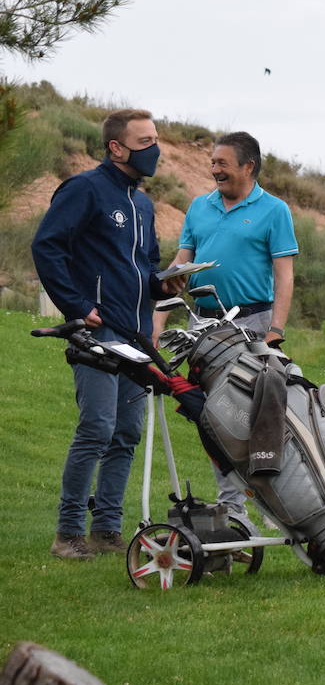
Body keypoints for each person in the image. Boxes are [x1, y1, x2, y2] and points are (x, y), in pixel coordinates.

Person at [32, 109, 183, 559]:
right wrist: (78, 307)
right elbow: (47, 246)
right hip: (97, 333)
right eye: (144, 141)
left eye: (156, 139)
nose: (154, 149)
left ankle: (107, 530)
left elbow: (145, 269)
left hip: (136, 337)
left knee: (126, 434)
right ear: (116, 147)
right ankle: (68, 533)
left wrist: (164, 283)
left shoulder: (143, 203)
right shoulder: (84, 189)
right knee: (96, 428)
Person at [154, 131, 298, 527]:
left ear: (248, 166)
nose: (214, 169)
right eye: (213, 162)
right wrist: (159, 320)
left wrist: (276, 329)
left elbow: (284, 276)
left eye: (222, 163)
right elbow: (179, 266)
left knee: (259, 419)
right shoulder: (200, 207)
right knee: (215, 420)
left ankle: (277, 502)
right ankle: (233, 509)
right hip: (201, 324)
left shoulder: (274, 210)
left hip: (252, 322)